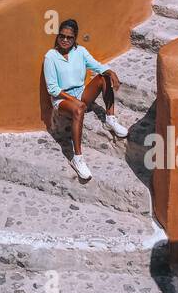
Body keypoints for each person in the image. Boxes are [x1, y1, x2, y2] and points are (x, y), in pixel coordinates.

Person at [43, 18, 127, 182]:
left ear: (75, 39)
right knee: (79, 109)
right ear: (57, 36)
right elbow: (52, 89)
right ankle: (77, 157)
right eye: (62, 36)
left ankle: (110, 119)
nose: (65, 40)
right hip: (62, 99)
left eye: (69, 37)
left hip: (80, 93)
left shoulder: (80, 51)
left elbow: (97, 66)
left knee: (104, 78)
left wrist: (111, 72)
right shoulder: (50, 57)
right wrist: (74, 101)